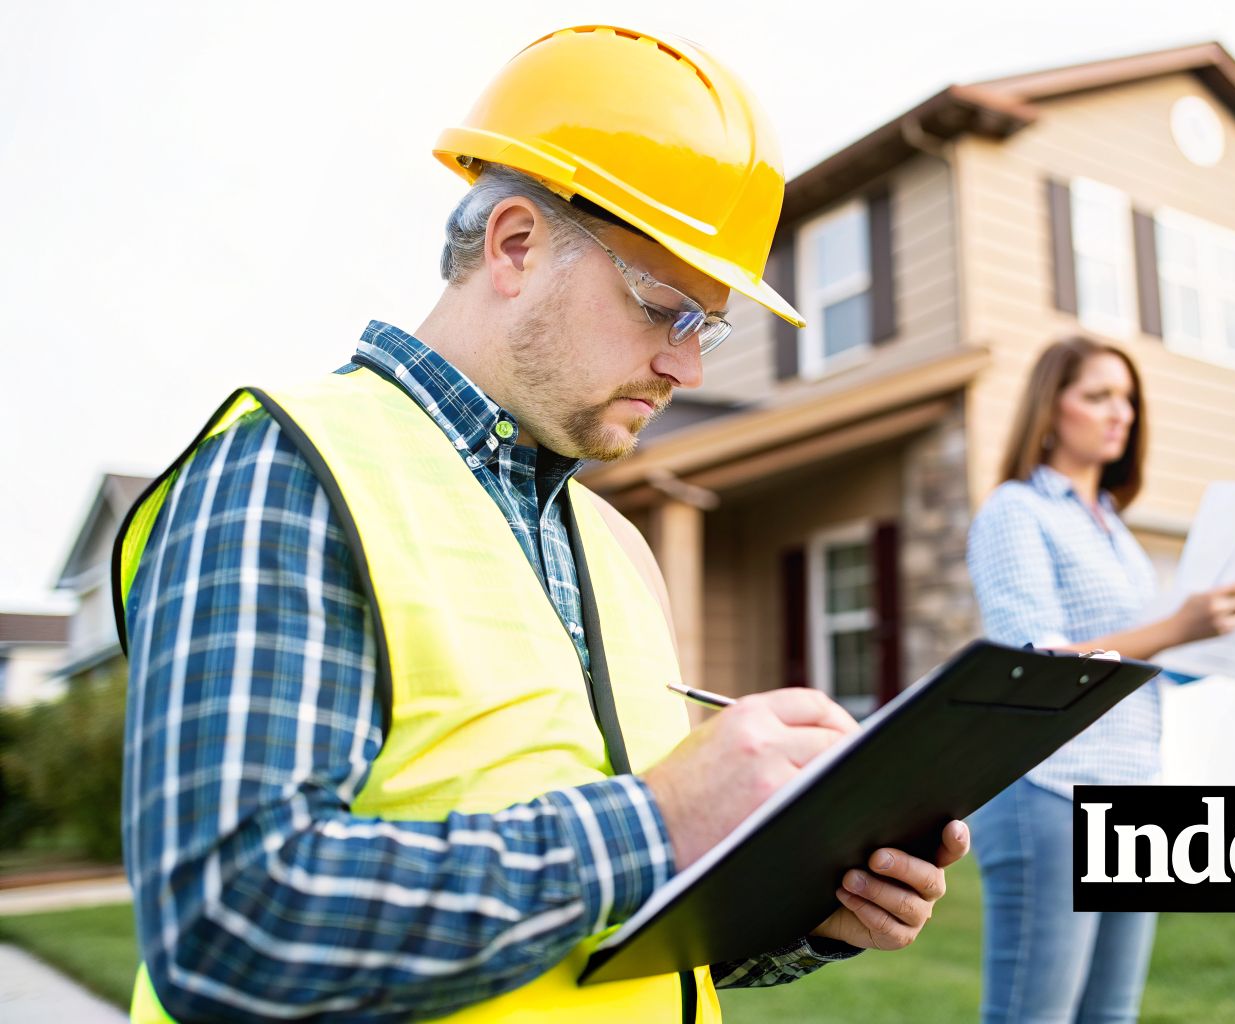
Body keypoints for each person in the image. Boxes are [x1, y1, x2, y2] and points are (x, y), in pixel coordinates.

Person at [116, 25, 966, 1024]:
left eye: (709, 328)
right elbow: (229, 924)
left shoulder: (614, 548)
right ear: (515, 246)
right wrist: (658, 818)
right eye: (664, 309)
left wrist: (810, 912)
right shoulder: (288, 470)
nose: (688, 368)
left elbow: (607, 924)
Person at [965, 337, 1235, 1023]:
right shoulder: (1015, 512)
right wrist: (1177, 624)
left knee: (1110, 1017)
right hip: (1048, 789)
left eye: (1129, 399)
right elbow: (1038, 668)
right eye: (1098, 395)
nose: (1121, 413)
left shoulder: (1115, 532)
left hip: (1130, 790)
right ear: (1051, 407)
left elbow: (1160, 666)